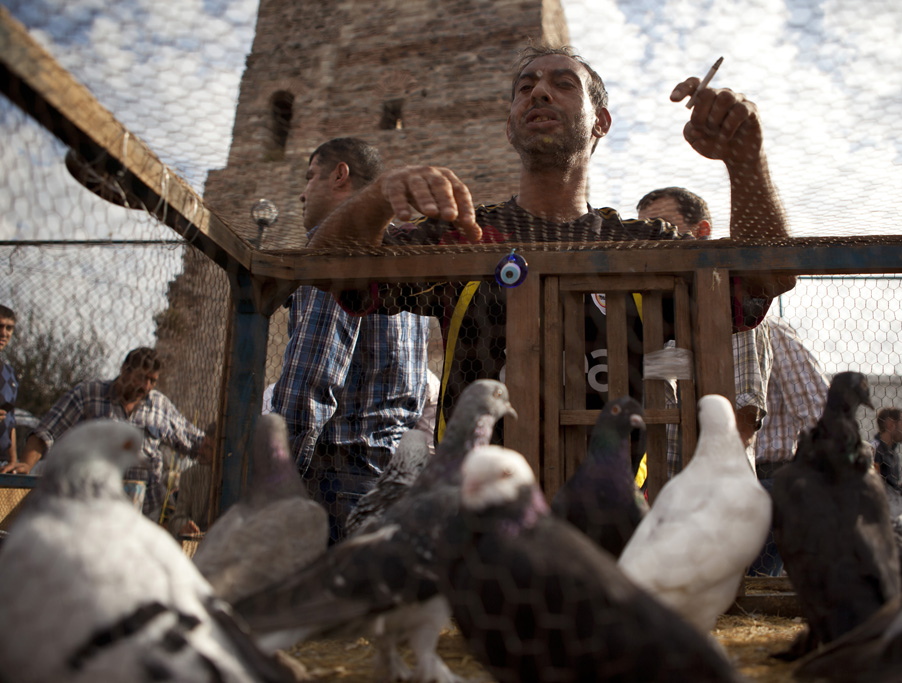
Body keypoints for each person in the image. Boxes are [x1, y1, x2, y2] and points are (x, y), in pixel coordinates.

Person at [312, 46, 795, 443]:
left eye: (564, 84)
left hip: (609, 517)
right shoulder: (466, 237)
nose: (539, 91)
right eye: (526, 87)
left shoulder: (642, 244)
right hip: (477, 520)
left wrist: (745, 158)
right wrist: (378, 195)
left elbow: (762, 281)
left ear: (600, 122)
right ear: (509, 125)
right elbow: (332, 269)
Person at [271, 137, 431, 544]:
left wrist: (278, 478)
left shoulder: (335, 248)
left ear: (340, 174)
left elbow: (311, 379)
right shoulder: (406, 256)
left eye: (310, 178)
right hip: (395, 479)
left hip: (337, 478)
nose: (303, 193)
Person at [636, 188, 771, 474]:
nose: (651, 239)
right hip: (666, 481)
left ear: (702, 231)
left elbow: (743, 413)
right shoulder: (661, 307)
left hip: (719, 483)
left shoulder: (732, 307)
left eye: (663, 227)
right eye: (644, 230)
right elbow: (661, 401)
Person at [0, 347, 204, 519]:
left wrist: (218, 443)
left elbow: (193, 441)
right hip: (92, 508)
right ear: (125, 369)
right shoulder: (89, 395)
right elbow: (47, 432)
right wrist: (26, 465)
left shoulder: (160, 405)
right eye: (141, 378)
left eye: (152, 381)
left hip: (144, 513)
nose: (145, 387)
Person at [749, 315, 829, 576]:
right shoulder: (704, 329)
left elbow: (817, 408)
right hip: (728, 486)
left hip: (769, 482)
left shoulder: (769, 329)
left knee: (753, 586)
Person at [167, 423, 215, 537]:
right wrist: (184, 526)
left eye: (208, 448)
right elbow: (177, 518)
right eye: (203, 444)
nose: (200, 451)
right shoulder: (190, 476)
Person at [0, 305, 17, 468]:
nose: (4, 333)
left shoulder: (10, 373)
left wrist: (13, 461)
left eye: (9, 327)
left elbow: (10, 420)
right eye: (0, 326)